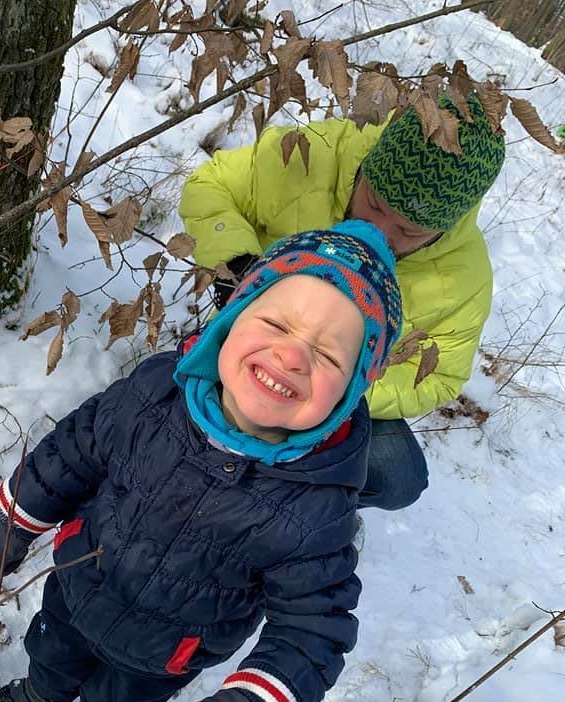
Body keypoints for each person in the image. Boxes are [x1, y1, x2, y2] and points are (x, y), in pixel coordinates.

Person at [0, 221, 402, 702]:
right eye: (276, 322)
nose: (293, 354)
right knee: (52, 651)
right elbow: (75, 449)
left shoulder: (317, 509)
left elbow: (314, 626)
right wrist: (16, 517)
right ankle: (39, 696)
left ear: (351, 392)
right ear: (233, 317)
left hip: (165, 650)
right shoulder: (152, 395)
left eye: (328, 355)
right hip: (81, 585)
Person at [180, 95, 506, 511]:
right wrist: (239, 271)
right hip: (253, 349)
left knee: (400, 476)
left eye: (408, 230)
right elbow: (209, 186)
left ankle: (289, 507)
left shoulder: (465, 277)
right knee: (167, 403)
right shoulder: (311, 155)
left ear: (443, 227)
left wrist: (345, 388)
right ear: (368, 166)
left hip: (337, 398)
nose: (378, 230)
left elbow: (441, 377)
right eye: (374, 202)